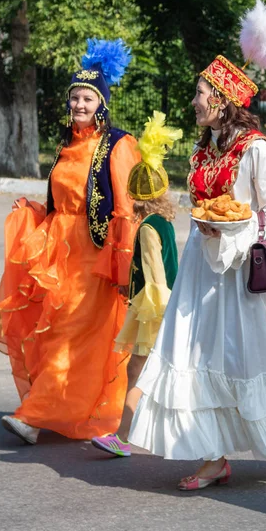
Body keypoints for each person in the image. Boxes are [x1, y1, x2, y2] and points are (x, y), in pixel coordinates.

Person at [128, 0, 266, 490]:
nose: (194, 101)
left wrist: (236, 231)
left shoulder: (256, 148)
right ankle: (212, 455)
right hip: (202, 266)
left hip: (238, 269)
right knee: (195, 354)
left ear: (221, 100)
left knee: (252, 356)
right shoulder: (204, 148)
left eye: (200, 93)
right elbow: (202, 199)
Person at [0, 38, 141, 444]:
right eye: (74, 98)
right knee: (54, 333)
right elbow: (63, 205)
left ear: (102, 103)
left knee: (73, 333)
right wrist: (34, 211)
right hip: (58, 256)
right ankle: (61, 410)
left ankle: (33, 417)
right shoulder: (66, 145)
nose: (79, 105)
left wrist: (122, 266)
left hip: (95, 257)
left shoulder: (118, 145)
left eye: (87, 98)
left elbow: (125, 208)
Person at [91, 112, 181, 457]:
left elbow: (156, 277)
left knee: (139, 370)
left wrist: (152, 314)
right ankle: (139, 433)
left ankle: (123, 437)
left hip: (155, 313)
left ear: (132, 195)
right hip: (165, 308)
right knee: (152, 372)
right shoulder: (165, 223)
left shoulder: (145, 227)